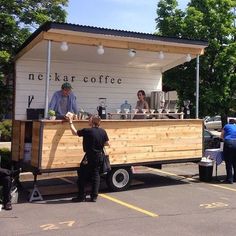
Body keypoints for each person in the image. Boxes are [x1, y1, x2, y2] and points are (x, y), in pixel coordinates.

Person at [68, 114, 109, 202]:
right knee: (96, 175)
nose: (88, 120)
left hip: (89, 156)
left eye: (89, 119)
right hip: (99, 156)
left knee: (82, 175)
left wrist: (70, 122)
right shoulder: (103, 131)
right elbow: (107, 143)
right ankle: (94, 197)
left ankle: (81, 196)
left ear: (92, 122)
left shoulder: (87, 131)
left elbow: (74, 132)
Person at [221, 118, 236, 184]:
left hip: (229, 143)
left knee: (228, 162)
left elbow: (221, 135)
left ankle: (229, 179)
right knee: (235, 162)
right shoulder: (235, 126)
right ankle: (235, 178)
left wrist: (223, 140)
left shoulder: (226, 126)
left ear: (229, 122)